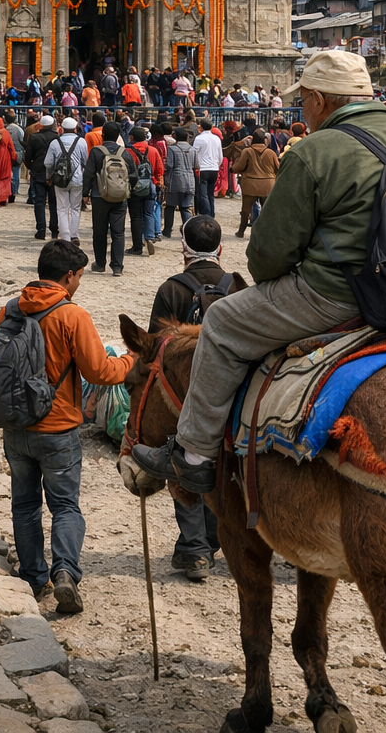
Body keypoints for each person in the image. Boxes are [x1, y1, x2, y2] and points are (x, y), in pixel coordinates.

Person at [132, 49, 386, 495]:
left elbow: (268, 258)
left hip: (331, 298)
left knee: (220, 322)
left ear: (318, 100)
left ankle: (195, 454)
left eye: (303, 101)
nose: (302, 110)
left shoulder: (314, 151)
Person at [0, 240, 134, 611]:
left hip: (15, 428)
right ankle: (66, 573)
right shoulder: (72, 315)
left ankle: (33, 578)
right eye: (80, 277)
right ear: (68, 276)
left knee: (24, 505)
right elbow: (100, 372)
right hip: (57, 430)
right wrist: (130, 363)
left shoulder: (8, 311)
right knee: (66, 506)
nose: (80, 284)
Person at [148, 216, 225, 582]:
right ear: (220, 250)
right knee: (219, 464)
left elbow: (154, 348)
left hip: (181, 398)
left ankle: (194, 550)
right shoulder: (237, 286)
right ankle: (210, 540)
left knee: (183, 463)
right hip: (227, 395)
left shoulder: (170, 290)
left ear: (184, 250)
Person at [81, 121, 135, 275]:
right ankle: (117, 266)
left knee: (99, 231)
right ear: (118, 135)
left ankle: (100, 263)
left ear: (103, 135)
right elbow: (134, 175)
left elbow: (89, 174)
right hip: (120, 198)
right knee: (118, 233)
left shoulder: (96, 152)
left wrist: (85, 193)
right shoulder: (124, 153)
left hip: (99, 197)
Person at [231, 129, 280, 238]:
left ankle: (241, 232)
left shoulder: (247, 151)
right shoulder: (270, 153)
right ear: (264, 140)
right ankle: (266, 233)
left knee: (245, 210)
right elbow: (278, 168)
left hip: (250, 184)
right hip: (268, 185)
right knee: (267, 210)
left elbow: (239, 167)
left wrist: (233, 167)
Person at [44, 117, 87, 242]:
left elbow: (48, 163)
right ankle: (74, 234)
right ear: (75, 128)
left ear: (62, 128)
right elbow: (85, 161)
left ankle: (65, 237)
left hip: (60, 179)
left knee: (62, 208)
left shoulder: (55, 142)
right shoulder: (81, 142)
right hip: (77, 179)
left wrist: (49, 176)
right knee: (75, 208)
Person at [127, 126, 164, 255]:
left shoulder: (128, 151)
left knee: (136, 216)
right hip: (150, 185)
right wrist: (159, 183)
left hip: (135, 187)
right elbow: (160, 170)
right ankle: (149, 237)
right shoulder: (153, 150)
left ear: (132, 138)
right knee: (149, 213)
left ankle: (137, 246)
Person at [25, 114, 61, 240]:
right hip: (53, 173)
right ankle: (54, 230)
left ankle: (41, 230)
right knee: (53, 202)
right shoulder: (57, 137)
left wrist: (31, 167)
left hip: (38, 171)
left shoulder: (34, 137)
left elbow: (28, 155)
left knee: (39, 201)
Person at [162, 127, 197, 236]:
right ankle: (188, 233)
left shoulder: (172, 149)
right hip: (190, 180)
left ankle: (167, 231)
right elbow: (196, 165)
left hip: (175, 181)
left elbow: (170, 165)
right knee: (186, 208)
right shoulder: (193, 149)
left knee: (170, 206)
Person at [191, 119, 224, 218]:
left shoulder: (199, 139)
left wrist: (195, 166)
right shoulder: (216, 139)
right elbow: (220, 156)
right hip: (214, 168)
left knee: (203, 194)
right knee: (210, 195)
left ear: (201, 127)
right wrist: (217, 164)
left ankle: (207, 214)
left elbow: (194, 154)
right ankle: (211, 214)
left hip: (203, 169)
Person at [5, 112, 25, 202]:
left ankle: (8, 191)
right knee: (16, 171)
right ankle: (14, 191)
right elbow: (22, 140)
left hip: (7, 153)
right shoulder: (19, 129)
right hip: (18, 153)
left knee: (7, 172)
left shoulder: (5, 129)